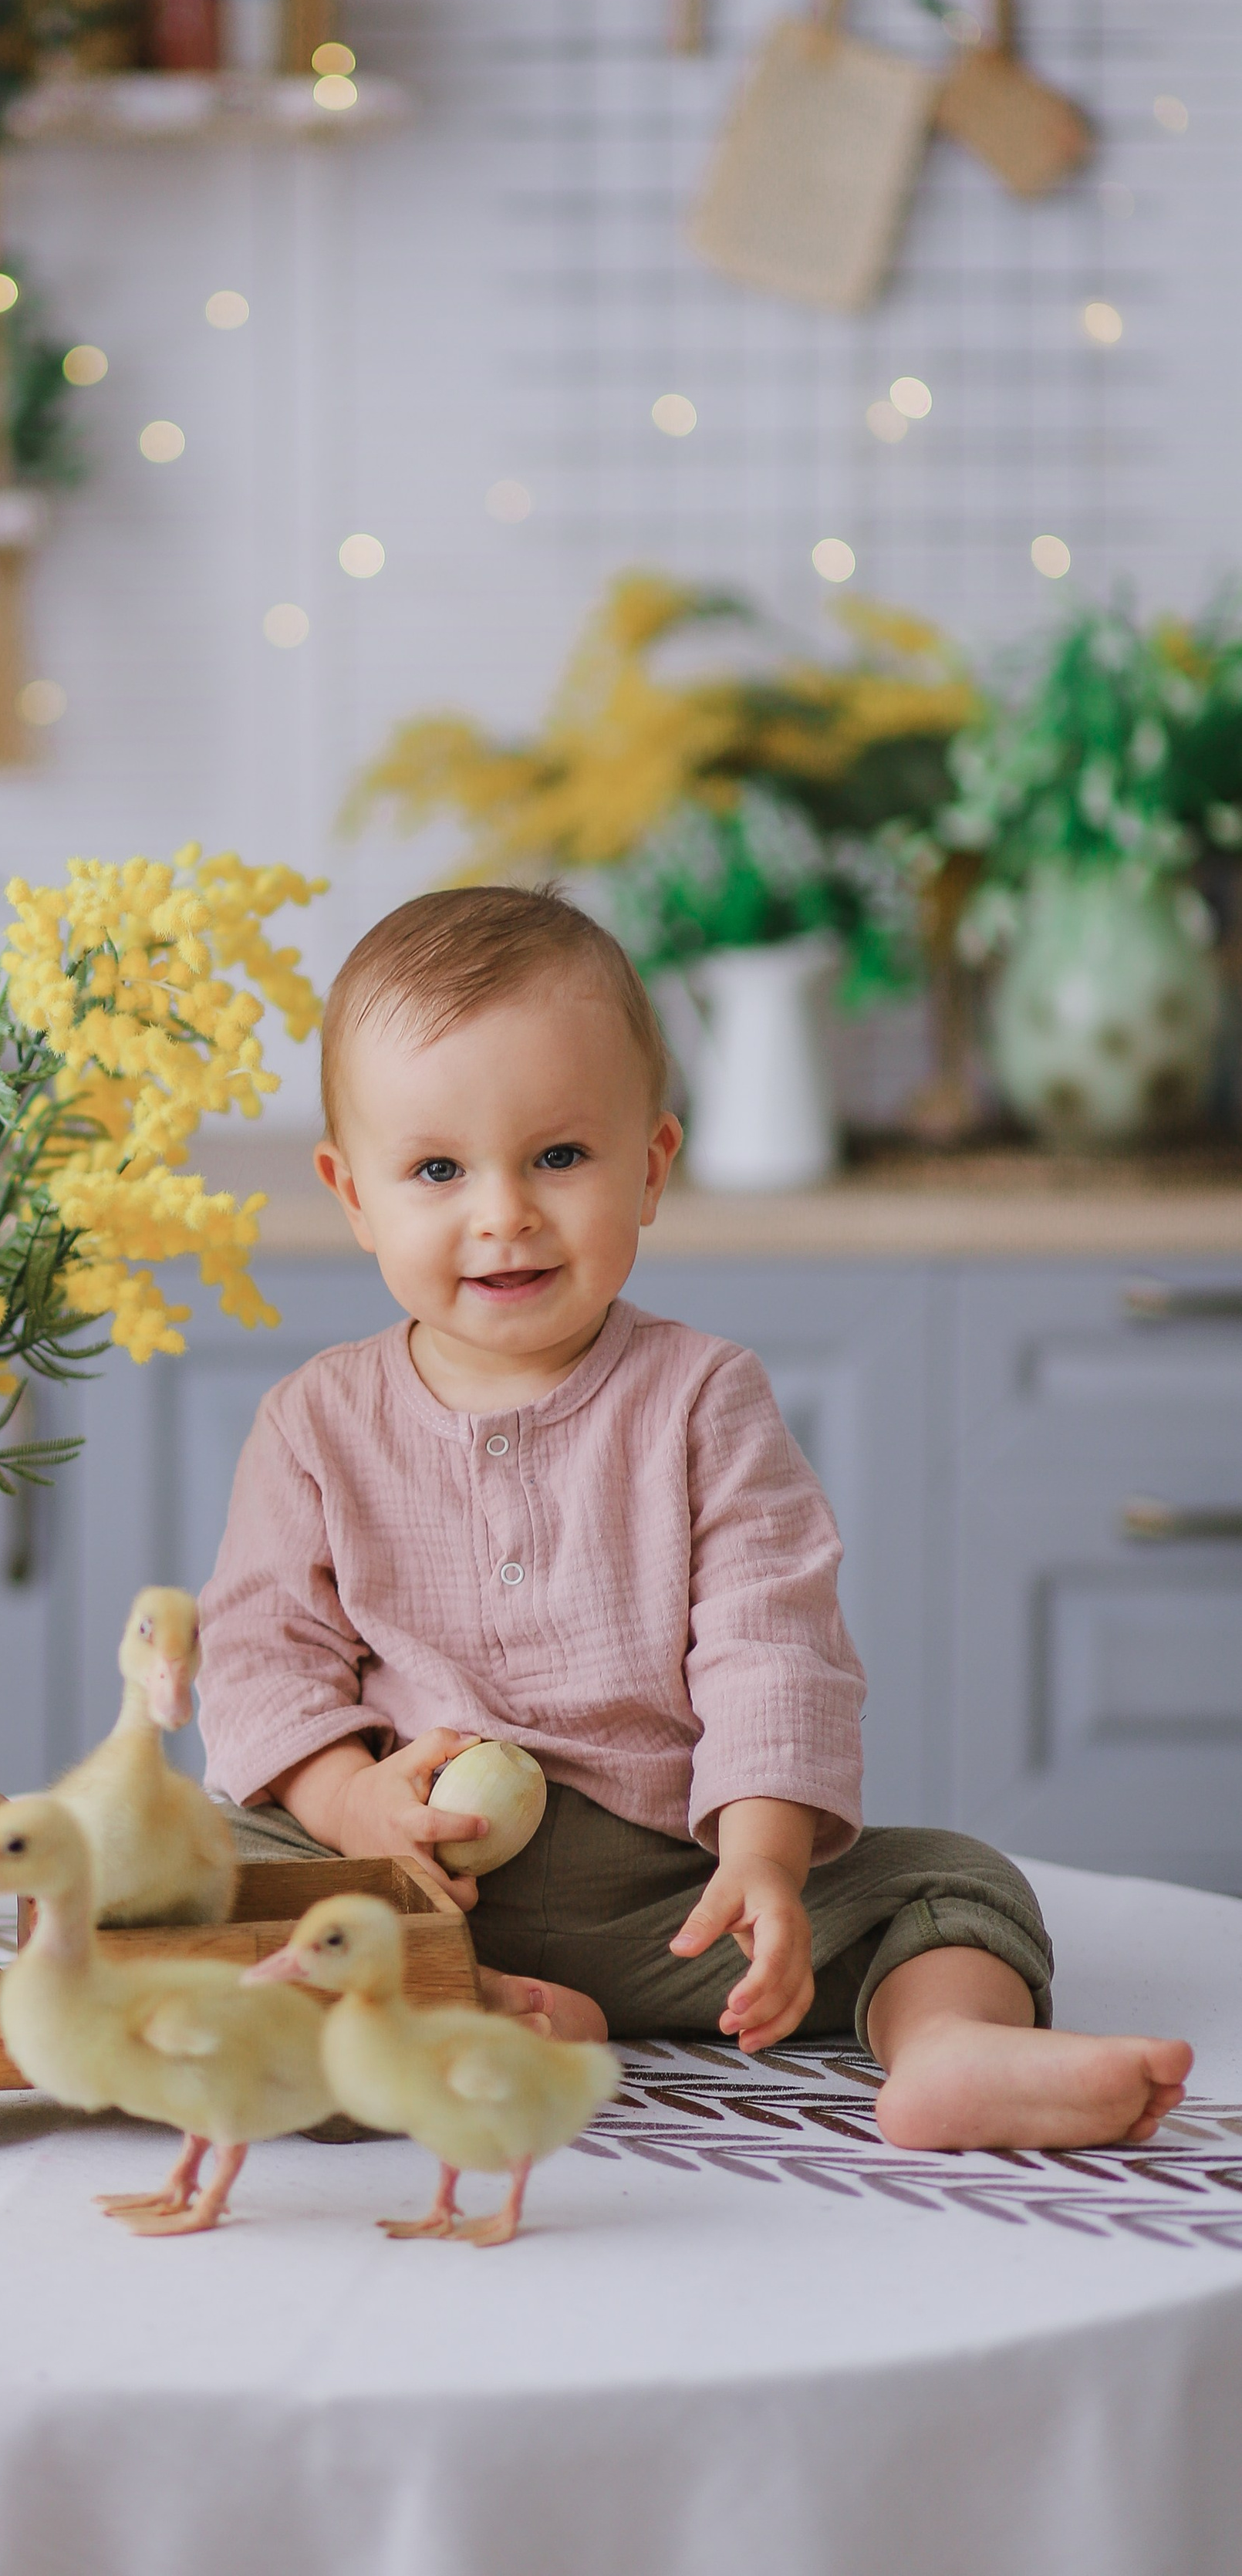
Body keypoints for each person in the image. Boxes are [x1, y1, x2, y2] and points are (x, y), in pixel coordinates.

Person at [198, 885, 1193, 2151]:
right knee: (192, 1867)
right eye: (438, 1170)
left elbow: (771, 1642)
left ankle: (948, 2049)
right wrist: (349, 1807)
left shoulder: (702, 1397)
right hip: (407, 1874)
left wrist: (766, 1864)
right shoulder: (313, 1421)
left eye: (559, 1157)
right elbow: (258, 1657)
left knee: (952, 1883)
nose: (502, 1211)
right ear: (352, 1194)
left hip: (668, 1891)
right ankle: (477, 2009)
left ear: (652, 1164)